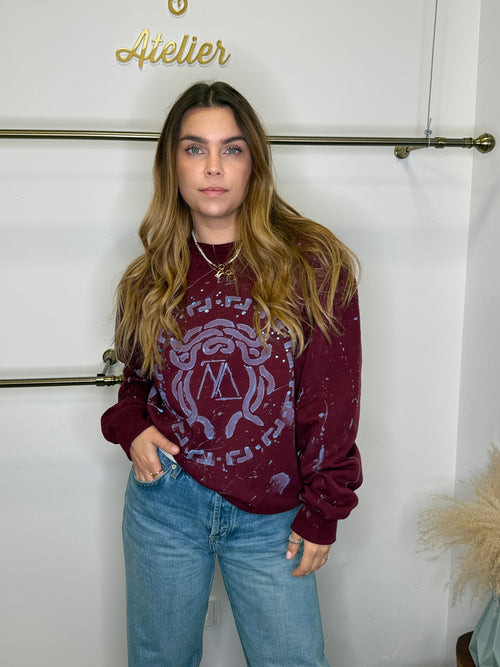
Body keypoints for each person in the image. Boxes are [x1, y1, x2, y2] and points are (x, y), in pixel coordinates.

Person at [101, 80, 362, 667]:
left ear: (254, 163)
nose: (213, 167)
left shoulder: (313, 264)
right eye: (195, 148)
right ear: (171, 165)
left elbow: (332, 400)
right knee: (158, 660)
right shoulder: (147, 279)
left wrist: (324, 509)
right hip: (165, 503)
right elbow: (135, 386)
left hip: (275, 513)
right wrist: (132, 428)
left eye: (232, 149)